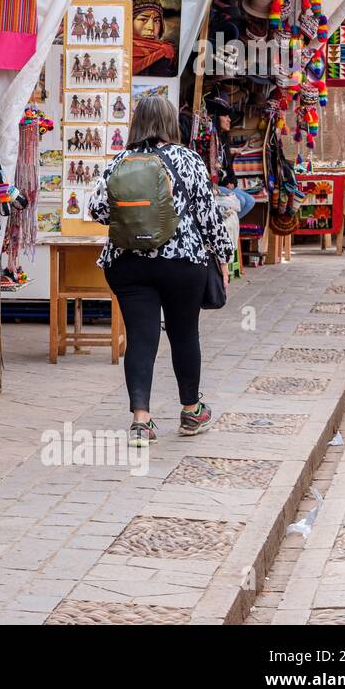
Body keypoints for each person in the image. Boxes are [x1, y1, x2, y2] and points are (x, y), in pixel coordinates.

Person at [87, 96, 236, 448]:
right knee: (185, 334)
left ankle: (141, 421)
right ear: (172, 123)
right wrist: (223, 258)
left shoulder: (121, 161)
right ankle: (191, 410)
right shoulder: (189, 160)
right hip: (182, 263)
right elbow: (208, 217)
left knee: (141, 336)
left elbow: (97, 209)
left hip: (129, 263)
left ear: (136, 123)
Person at [207, 92, 255, 219]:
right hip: (214, 185)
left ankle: (227, 227)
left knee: (250, 201)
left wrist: (232, 182)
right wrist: (224, 183)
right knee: (241, 201)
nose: (229, 120)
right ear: (217, 118)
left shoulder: (223, 140)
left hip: (225, 184)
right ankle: (223, 229)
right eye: (226, 116)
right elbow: (211, 169)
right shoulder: (209, 140)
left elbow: (229, 166)